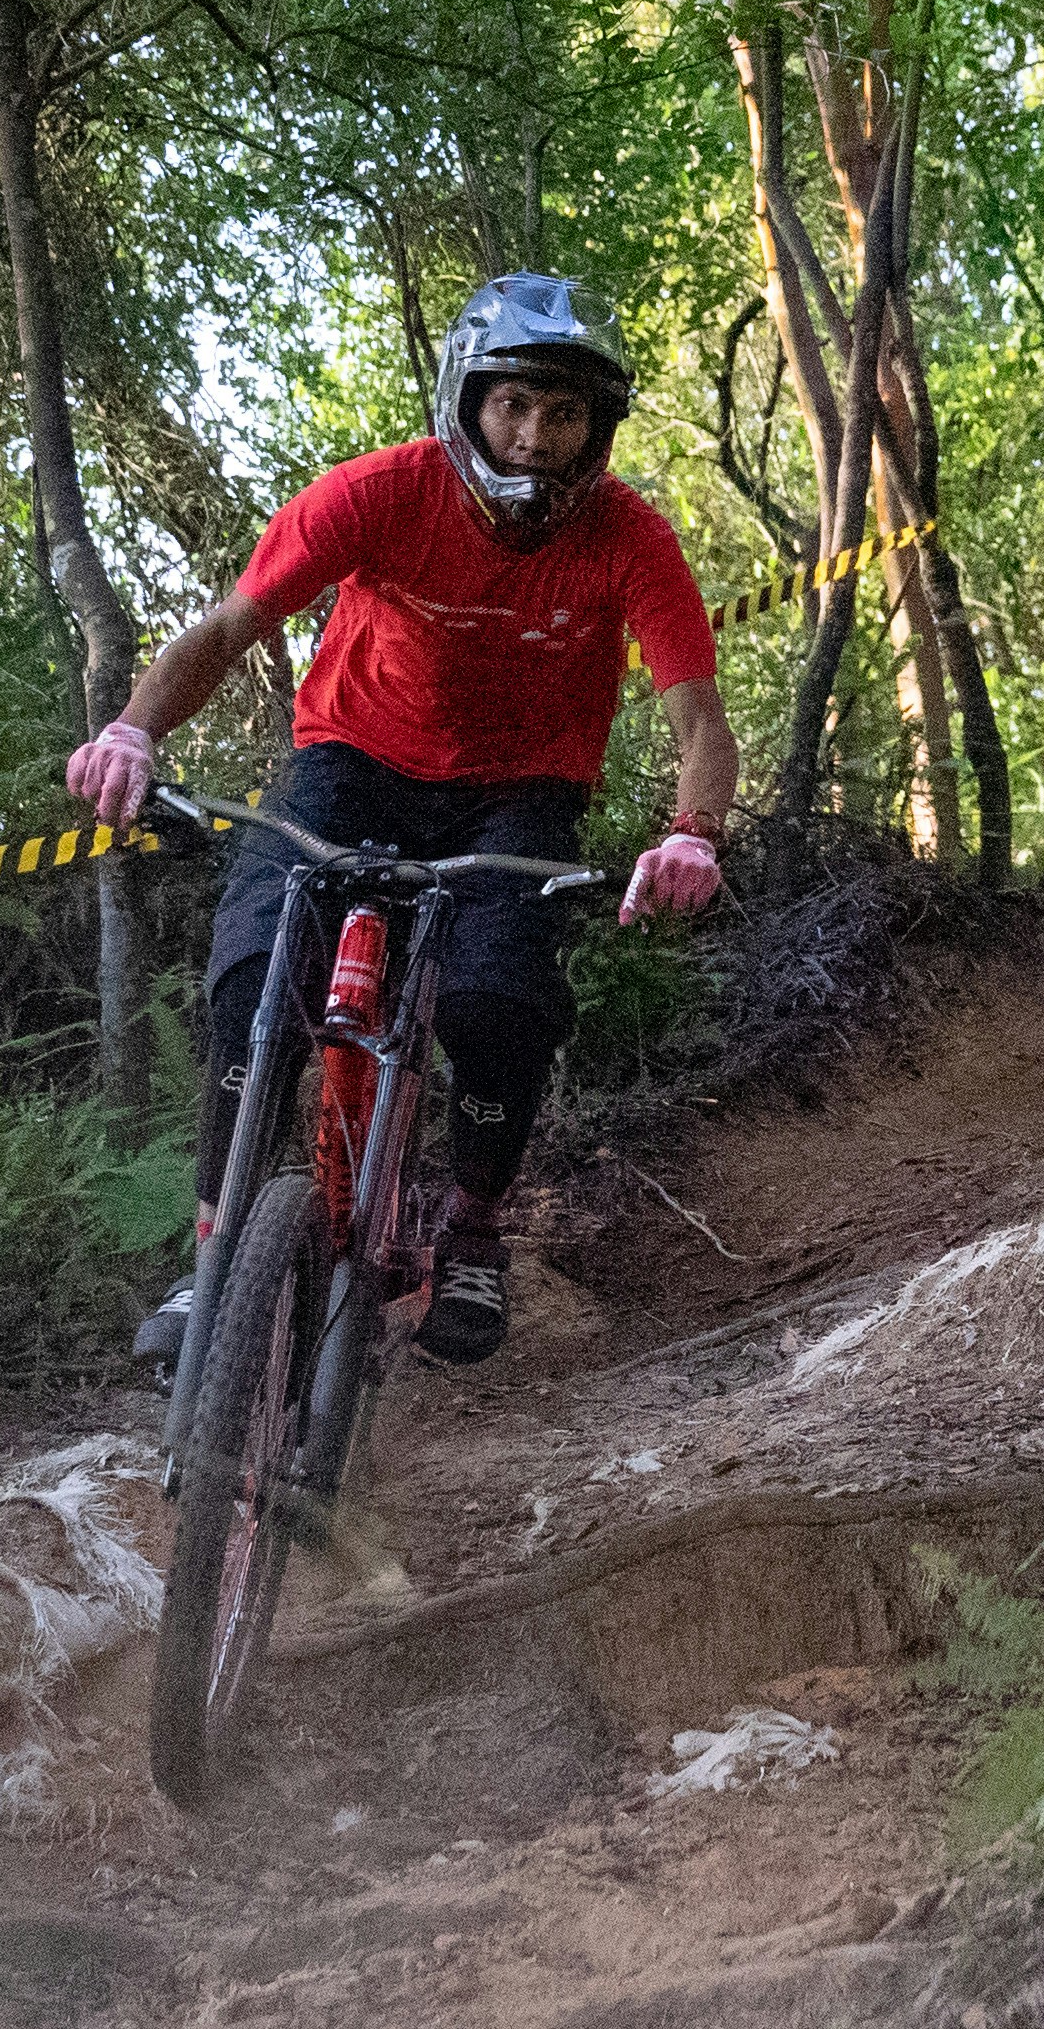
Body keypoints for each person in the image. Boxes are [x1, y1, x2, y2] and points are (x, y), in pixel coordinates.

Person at [67, 274, 736, 1370]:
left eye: (563, 414)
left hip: (521, 791)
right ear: (465, 400)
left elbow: (697, 715)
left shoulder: (628, 538)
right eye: (513, 404)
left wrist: (693, 829)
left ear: (596, 429)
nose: (532, 437)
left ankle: (470, 1227)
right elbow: (231, 626)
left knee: (496, 1004)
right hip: (350, 763)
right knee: (250, 979)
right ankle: (218, 1245)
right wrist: (135, 732)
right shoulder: (378, 493)